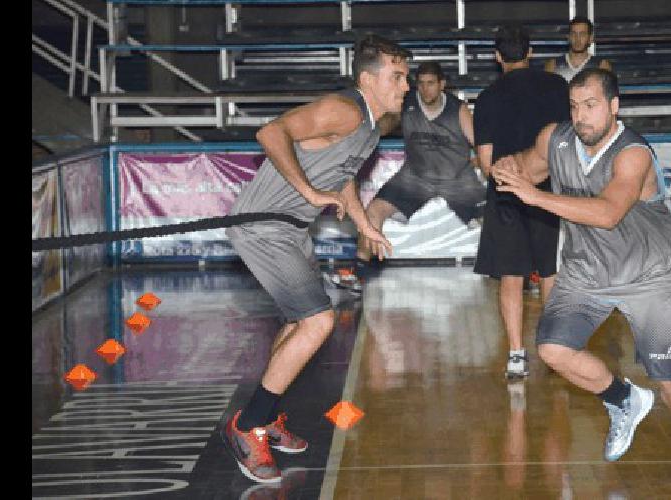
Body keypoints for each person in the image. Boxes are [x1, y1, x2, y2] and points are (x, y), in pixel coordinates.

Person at [492, 68, 671, 481]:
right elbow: (526, 167)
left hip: (648, 276)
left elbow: (609, 213)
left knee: (668, 377)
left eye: (591, 106)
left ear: (614, 107)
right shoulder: (555, 139)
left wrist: (536, 196)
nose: (581, 116)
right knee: (553, 350)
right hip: (587, 271)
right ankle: (623, 398)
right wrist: (508, 167)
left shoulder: (633, 153)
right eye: (575, 107)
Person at [219, 35, 409, 484]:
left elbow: (342, 177)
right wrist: (308, 192)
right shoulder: (344, 109)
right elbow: (270, 132)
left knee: (297, 322)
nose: (405, 85)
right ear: (368, 79)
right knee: (318, 322)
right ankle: (247, 427)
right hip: (263, 226)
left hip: (291, 229)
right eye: (396, 77)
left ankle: (267, 415)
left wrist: (363, 224)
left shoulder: (369, 126)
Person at [473, 23, 570, 379]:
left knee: (511, 277)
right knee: (550, 272)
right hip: (549, 191)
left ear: (497, 57)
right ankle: (557, 347)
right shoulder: (558, 87)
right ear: (530, 52)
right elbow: (568, 141)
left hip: (506, 194)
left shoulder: (487, 98)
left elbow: (485, 162)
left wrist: (511, 179)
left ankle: (517, 354)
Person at [351, 62, 483, 267]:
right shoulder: (406, 103)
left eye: (430, 83)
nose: (425, 89)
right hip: (416, 177)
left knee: (495, 220)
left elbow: (479, 143)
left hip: (456, 178)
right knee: (372, 213)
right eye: (420, 83)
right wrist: (372, 129)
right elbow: (387, 123)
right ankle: (357, 272)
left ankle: (517, 271)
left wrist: (480, 163)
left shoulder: (458, 109)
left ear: (442, 84)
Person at [544, 16, 613, 82]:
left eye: (582, 34)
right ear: (568, 37)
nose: (577, 39)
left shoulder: (602, 66)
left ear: (590, 38)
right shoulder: (553, 65)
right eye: (574, 34)